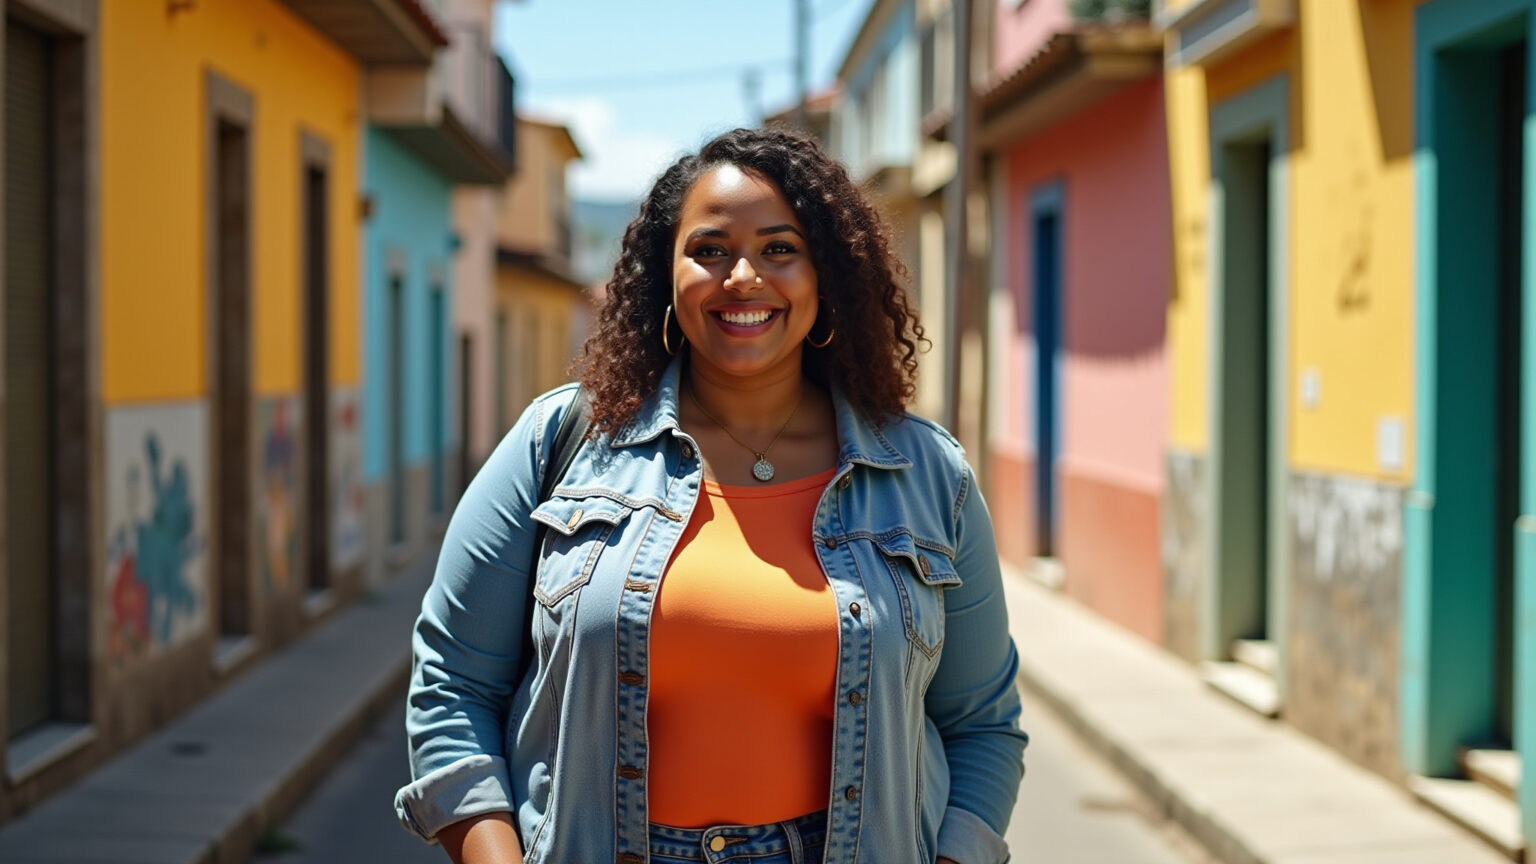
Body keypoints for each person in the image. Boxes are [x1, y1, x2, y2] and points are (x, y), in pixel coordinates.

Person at [395, 127, 1027, 864]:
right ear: (666, 274)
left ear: (827, 277)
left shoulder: (927, 475)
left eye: (780, 249)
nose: (744, 278)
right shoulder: (559, 443)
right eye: (711, 249)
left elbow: (983, 726)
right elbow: (450, 685)